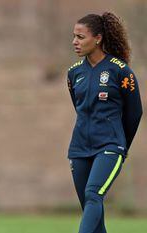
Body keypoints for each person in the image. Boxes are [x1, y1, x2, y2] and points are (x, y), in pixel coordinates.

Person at [67, 12, 142, 233]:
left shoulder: (120, 71)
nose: (75, 42)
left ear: (98, 38)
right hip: (79, 149)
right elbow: (80, 109)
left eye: (80, 37)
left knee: (93, 194)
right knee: (92, 211)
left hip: (109, 146)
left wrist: (120, 145)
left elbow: (134, 113)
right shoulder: (73, 74)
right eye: (74, 36)